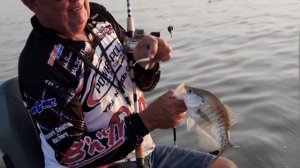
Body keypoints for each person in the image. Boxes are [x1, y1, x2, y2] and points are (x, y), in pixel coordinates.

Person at [18, 0, 238, 168]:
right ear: (31, 3)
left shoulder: (97, 14)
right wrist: (146, 121)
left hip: (143, 150)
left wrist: (148, 60)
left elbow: (136, 67)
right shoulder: (39, 66)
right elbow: (70, 153)